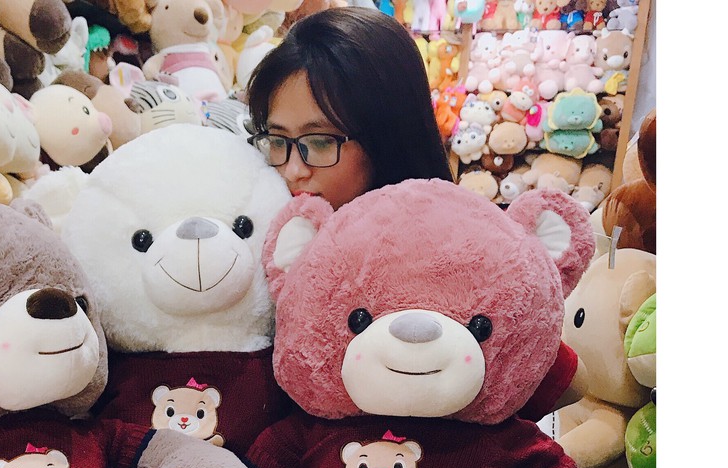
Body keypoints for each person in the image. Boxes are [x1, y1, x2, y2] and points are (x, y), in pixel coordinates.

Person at [244, 6, 586, 417]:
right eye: (276, 140)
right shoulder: (272, 244)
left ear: (388, 135)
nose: (293, 169)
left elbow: (562, 378)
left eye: (319, 142)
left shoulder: (461, 252)